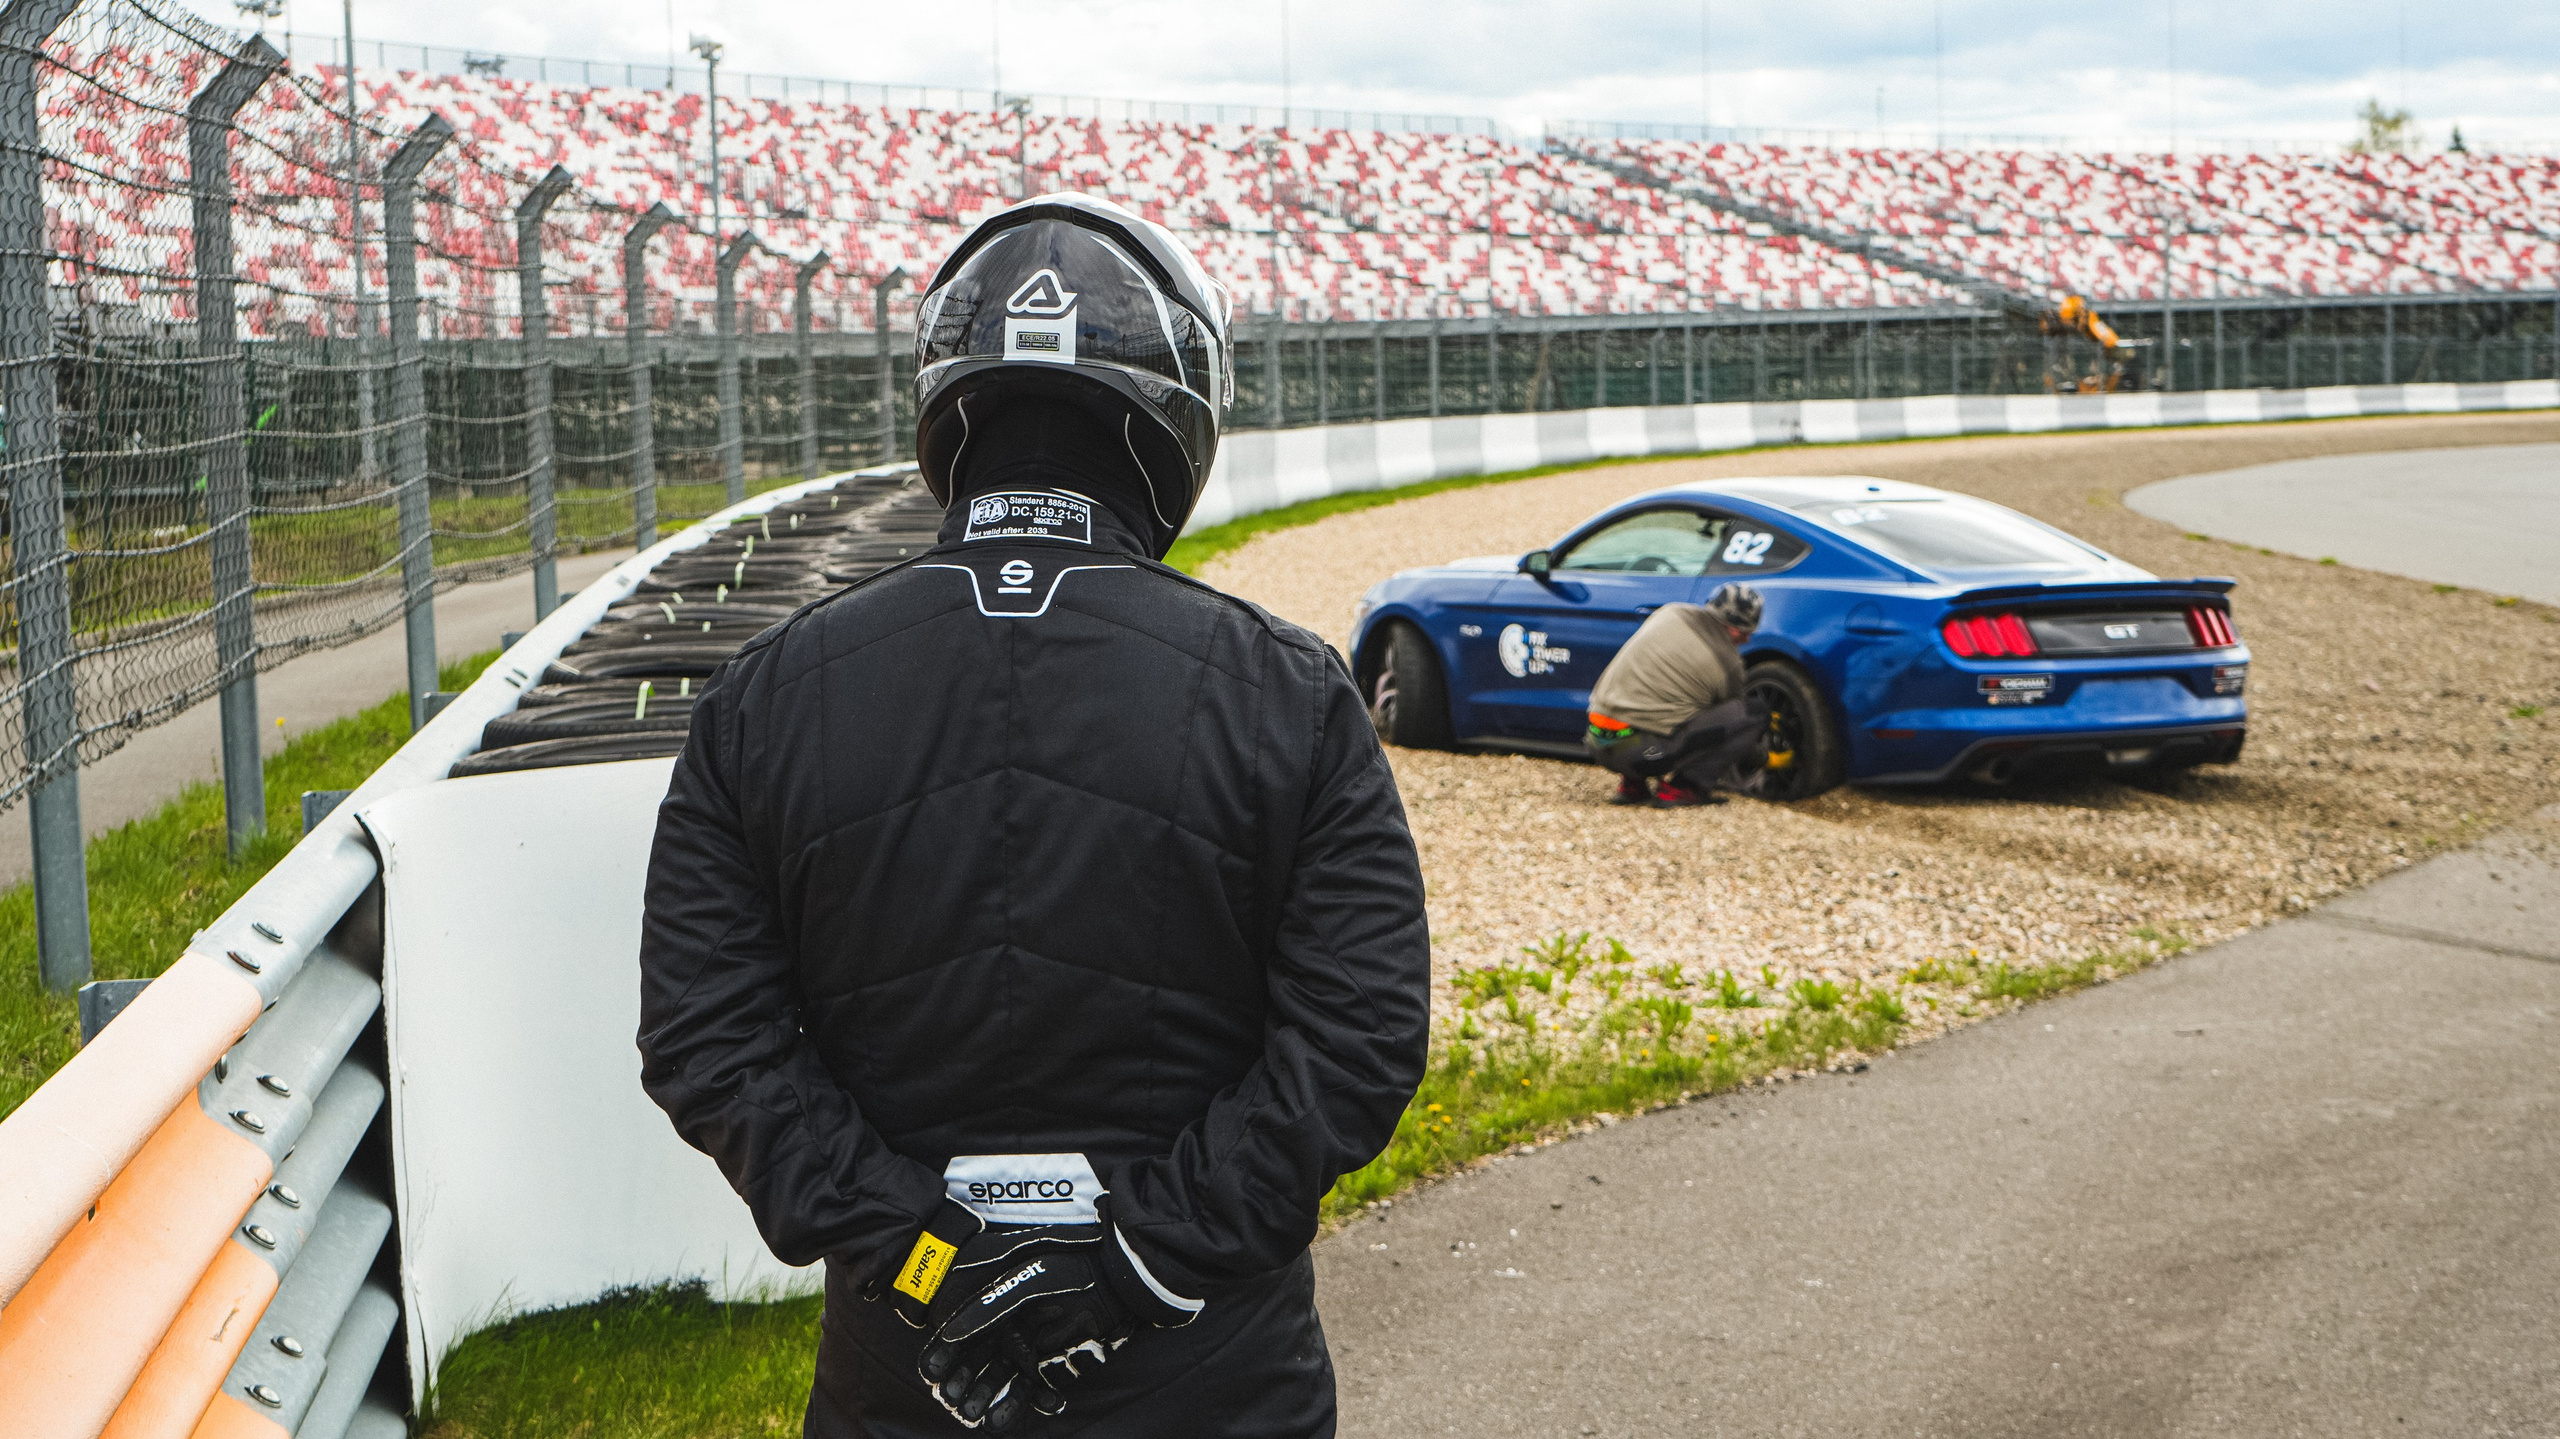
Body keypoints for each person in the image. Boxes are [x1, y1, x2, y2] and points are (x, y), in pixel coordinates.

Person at [635, 193, 1431, 1437]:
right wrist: (1138, 1262)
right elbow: (1358, 1037)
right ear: (1177, 413)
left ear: (949, 405)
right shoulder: (1289, 690)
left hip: (907, 1358)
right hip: (1206, 1357)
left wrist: (926, 1255)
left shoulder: (766, 695)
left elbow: (705, 1036)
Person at [1584, 583, 1770, 808]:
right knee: (1753, 713)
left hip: (1595, 743)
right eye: (1747, 632)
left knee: (1664, 700)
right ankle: (1684, 788)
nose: (1748, 639)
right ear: (1733, 628)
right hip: (1643, 755)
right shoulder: (1728, 663)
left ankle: (1632, 785)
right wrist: (1760, 757)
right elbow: (1730, 724)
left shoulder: (1670, 612)